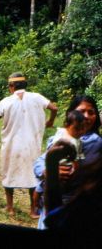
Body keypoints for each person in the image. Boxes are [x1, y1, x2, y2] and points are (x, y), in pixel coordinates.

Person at [0, 72, 57, 217]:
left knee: (9, 172)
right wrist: (50, 121)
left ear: (12, 86)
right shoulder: (37, 97)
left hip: (11, 144)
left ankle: (10, 208)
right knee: (33, 174)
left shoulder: (6, 101)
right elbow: (54, 108)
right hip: (32, 143)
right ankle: (33, 210)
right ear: (24, 85)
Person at [34, 95, 102, 229]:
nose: (86, 116)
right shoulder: (60, 138)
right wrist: (49, 172)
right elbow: (40, 162)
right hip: (53, 200)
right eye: (81, 111)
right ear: (70, 114)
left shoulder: (97, 143)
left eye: (91, 112)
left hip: (79, 206)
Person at [33, 109, 86, 216]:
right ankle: (36, 204)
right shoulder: (61, 137)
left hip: (67, 173)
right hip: (54, 169)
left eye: (83, 129)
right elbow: (49, 155)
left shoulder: (79, 140)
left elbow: (78, 157)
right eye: (77, 129)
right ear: (67, 125)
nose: (80, 131)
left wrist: (75, 166)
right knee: (42, 187)